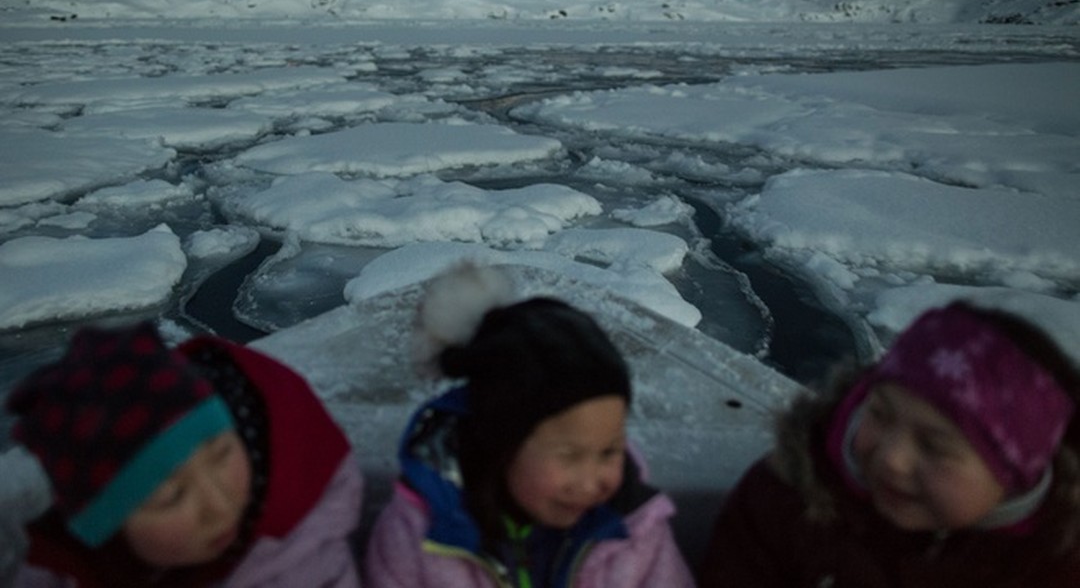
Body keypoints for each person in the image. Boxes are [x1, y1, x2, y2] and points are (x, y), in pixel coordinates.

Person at [698, 300, 1080, 587]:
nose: (892, 459)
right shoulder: (786, 497)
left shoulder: (1053, 564)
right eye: (880, 414)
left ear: (1014, 475)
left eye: (933, 446)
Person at [363, 262, 694, 587]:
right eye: (569, 455)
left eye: (609, 451)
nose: (593, 481)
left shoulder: (635, 528)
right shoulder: (416, 537)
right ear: (500, 443)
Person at [6, 320, 363, 587]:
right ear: (104, 527)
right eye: (171, 496)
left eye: (222, 453)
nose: (219, 506)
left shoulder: (306, 557)